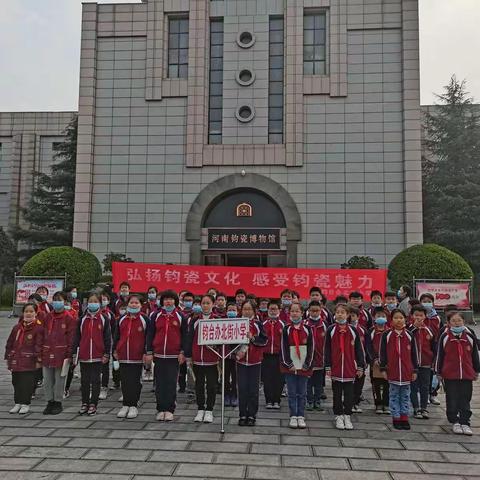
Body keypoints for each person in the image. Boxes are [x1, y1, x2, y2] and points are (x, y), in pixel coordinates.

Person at [436, 311, 480, 436]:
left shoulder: (469, 337)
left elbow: (475, 355)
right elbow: (440, 355)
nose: (456, 323)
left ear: (463, 322)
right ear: (448, 323)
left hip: (466, 373)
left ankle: (465, 422)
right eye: (453, 321)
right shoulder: (445, 337)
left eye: (459, 320)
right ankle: (454, 420)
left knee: (466, 398)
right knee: (452, 398)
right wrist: (438, 372)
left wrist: (476, 370)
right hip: (450, 374)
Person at [324, 303, 365, 430]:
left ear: (348, 315)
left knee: (349, 394)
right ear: (334, 314)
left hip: (349, 367)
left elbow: (359, 349)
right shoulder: (331, 330)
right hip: (336, 367)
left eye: (343, 312)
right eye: (338, 312)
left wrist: (360, 366)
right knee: (336, 393)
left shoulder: (353, 330)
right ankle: (338, 415)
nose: (340, 314)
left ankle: (347, 415)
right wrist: (328, 366)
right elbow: (327, 349)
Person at [147, 290, 186, 422]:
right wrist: (149, 351)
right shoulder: (155, 316)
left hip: (173, 356)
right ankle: (160, 408)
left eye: (171, 299)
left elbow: (184, 337)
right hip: (158, 355)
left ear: (175, 301)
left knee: (171, 383)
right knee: (160, 383)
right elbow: (150, 334)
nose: (168, 301)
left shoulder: (181, 316)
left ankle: (169, 409)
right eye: (166, 299)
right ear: (162, 301)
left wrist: (182, 352)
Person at [112, 294, 151, 419]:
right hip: (123, 355)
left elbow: (148, 338)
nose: (133, 305)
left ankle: (133, 404)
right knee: (125, 380)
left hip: (137, 356)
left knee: (135, 381)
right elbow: (117, 336)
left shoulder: (145, 319)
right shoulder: (121, 319)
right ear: (127, 304)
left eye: (136, 303)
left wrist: (146, 352)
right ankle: (125, 404)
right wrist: (115, 350)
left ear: (141, 305)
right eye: (131, 303)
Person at [72, 293, 111, 416]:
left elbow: (107, 338)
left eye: (95, 301)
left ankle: (93, 403)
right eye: (90, 301)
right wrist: (75, 353)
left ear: (99, 303)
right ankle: (84, 402)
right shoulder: (82, 319)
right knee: (84, 381)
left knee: (95, 380)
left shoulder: (104, 318)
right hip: (84, 355)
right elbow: (77, 337)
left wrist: (106, 354)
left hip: (97, 355)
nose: (92, 303)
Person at [379, 308, 418, 430]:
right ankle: (396, 417)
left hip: (407, 371)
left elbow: (414, 354)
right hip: (393, 371)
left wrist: (415, 370)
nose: (399, 320)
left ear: (405, 319)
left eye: (401, 318)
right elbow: (382, 353)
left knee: (405, 395)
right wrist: (383, 369)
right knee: (394, 395)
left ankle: (404, 417)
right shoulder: (387, 335)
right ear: (391, 320)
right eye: (396, 318)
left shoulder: (409, 335)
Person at [184, 294, 219, 423]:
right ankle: (200, 409)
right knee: (198, 385)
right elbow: (189, 339)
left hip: (212, 359)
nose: (205, 306)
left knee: (211, 386)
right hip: (198, 359)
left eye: (208, 303)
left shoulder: (218, 320)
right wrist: (188, 355)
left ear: (213, 304)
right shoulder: (194, 320)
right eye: (203, 303)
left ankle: (209, 410)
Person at [4, 303, 43, 414]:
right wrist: (7, 357)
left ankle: (25, 403)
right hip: (16, 359)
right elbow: (10, 342)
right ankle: (17, 403)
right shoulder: (17, 327)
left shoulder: (38, 328)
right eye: (26, 311)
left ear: (36, 313)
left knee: (27, 383)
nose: (28, 313)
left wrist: (38, 360)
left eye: (31, 311)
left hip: (29, 361)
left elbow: (39, 345)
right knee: (16, 381)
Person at [42, 291, 75, 415]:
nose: (56, 302)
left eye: (59, 299)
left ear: (65, 302)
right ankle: (49, 401)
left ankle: (58, 402)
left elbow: (71, 338)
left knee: (60, 379)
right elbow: (42, 334)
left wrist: (69, 354)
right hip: (47, 352)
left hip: (62, 354)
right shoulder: (48, 316)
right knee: (47, 380)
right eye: (54, 299)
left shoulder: (69, 318)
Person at [281, 302, 314, 429]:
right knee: (292, 392)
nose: (294, 313)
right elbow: (283, 348)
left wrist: (307, 364)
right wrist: (288, 364)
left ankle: (301, 415)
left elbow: (312, 348)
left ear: (302, 313)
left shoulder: (308, 329)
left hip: (303, 366)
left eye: (297, 311)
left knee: (302, 392)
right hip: (290, 367)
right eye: (292, 311)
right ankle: (293, 415)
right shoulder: (286, 329)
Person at [236, 300, 267, 426]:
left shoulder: (258, 324)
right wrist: (237, 352)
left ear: (254, 311)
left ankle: (252, 415)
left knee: (253, 390)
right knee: (242, 389)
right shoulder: (236, 323)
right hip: (241, 361)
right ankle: (242, 414)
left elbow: (264, 341)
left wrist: (253, 338)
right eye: (245, 309)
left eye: (249, 309)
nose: (247, 311)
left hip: (255, 362)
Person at [409, 305, 436, 419]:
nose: (419, 318)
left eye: (421, 315)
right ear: (412, 316)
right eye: (416, 315)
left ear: (425, 316)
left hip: (426, 363)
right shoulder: (408, 329)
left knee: (425, 386)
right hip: (412, 365)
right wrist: (414, 327)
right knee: (413, 387)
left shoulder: (428, 330)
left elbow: (434, 347)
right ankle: (416, 408)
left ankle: (424, 408)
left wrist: (433, 361)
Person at [366, 307, 390, 414]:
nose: (381, 318)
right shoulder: (371, 331)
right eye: (378, 316)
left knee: (387, 383)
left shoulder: (390, 330)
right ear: (374, 317)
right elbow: (368, 347)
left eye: (383, 316)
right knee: (376, 383)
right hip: (374, 362)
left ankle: (386, 403)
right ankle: (378, 404)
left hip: (387, 362)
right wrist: (373, 359)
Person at [262, 300, 285, 409]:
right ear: (268, 310)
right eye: (271, 309)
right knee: (267, 379)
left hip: (279, 356)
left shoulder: (283, 325)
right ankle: (268, 400)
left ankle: (277, 400)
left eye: (275, 309)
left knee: (279, 379)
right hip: (266, 356)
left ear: (279, 310)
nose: (273, 311)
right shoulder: (263, 324)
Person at [305, 300, 327, 411]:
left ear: (321, 311)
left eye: (317, 311)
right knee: (308, 382)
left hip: (320, 359)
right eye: (312, 311)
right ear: (308, 311)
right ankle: (309, 401)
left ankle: (317, 401)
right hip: (307, 360)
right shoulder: (304, 324)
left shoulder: (325, 325)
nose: (314, 313)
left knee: (318, 383)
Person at [349, 306, 367, 413]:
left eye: (353, 316)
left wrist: (366, 360)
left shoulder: (363, 330)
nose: (351, 318)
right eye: (350, 315)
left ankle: (356, 402)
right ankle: (348, 402)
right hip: (348, 360)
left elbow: (367, 346)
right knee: (349, 383)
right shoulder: (343, 329)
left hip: (360, 360)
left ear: (358, 317)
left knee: (359, 382)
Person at [224, 302, 239, 407]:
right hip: (224, 355)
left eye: (234, 310)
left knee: (235, 376)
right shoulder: (222, 322)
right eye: (229, 310)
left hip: (236, 355)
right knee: (225, 376)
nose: (231, 312)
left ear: (237, 312)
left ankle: (234, 395)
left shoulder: (240, 323)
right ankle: (226, 395)